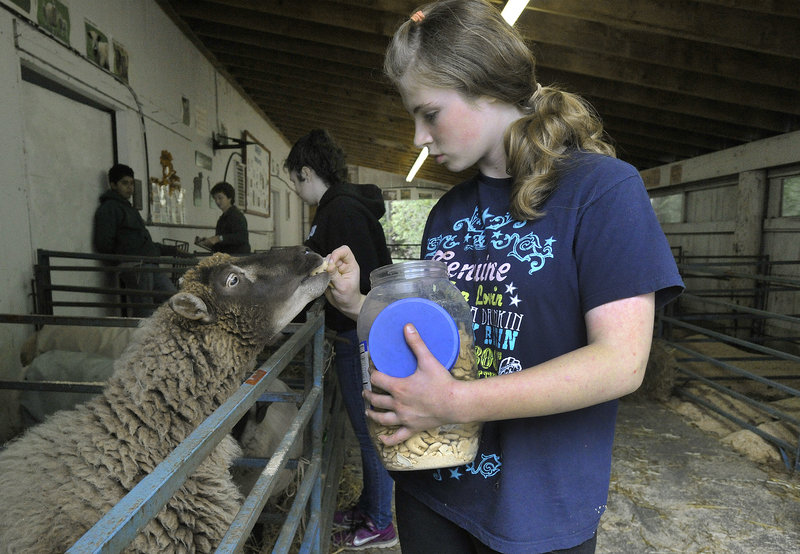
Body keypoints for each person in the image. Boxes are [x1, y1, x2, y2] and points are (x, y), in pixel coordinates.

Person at [322, 2, 684, 553]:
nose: (419, 136)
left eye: (430, 113)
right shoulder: (448, 211)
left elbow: (621, 362)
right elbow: (450, 335)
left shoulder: (602, 191)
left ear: (486, 88)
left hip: (535, 510)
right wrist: (361, 306)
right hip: (431, 484)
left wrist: (456, 404)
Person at [284, 129, 397, 549]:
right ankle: (371, 507)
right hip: (355, 331)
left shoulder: (341, 212)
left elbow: (362, 279)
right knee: (362, 427)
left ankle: (382, 521)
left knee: (369, 431)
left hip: (358, 333)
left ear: (307, 171)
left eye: (296, 181)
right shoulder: (340, 209)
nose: (297, 190)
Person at [93, 163, 177, 317]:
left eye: (131, 183)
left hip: (147, 262)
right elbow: (104, 243)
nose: (130, 187)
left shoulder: (128, 208)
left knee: (172, 298)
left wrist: (171, 250)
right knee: (144, 307)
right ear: (113, 185)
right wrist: (125, 257)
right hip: (135, 264)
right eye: (124, 183)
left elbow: (141, 240)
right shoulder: (110, 209)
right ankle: (143, 339)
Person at [196, 181, 251, 254]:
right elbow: (222, 244)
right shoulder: (222, 219)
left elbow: (242, 237)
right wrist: (208, 242)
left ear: (229, 198)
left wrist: (218, 238)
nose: (217, 201)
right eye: (215, 198)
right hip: (225, 259)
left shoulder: (237, 216)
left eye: (220, 198)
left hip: (238, 259)